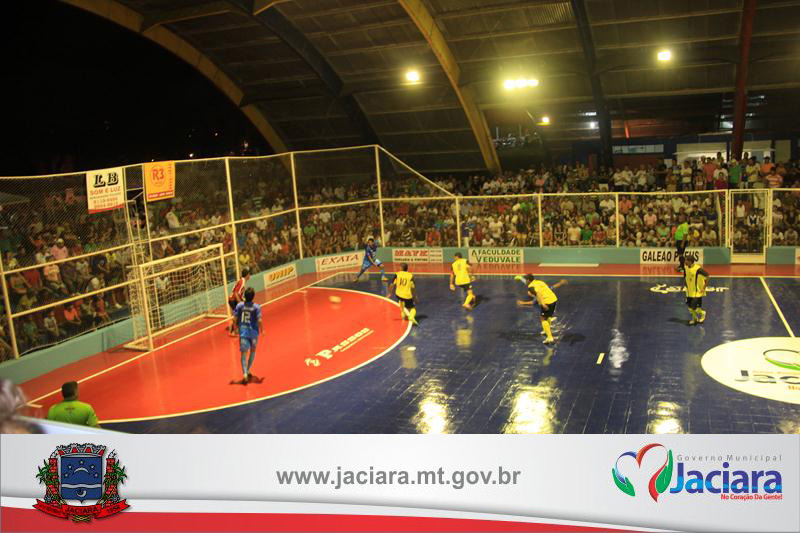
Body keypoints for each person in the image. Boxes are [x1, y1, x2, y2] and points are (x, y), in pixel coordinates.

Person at [516, 275, 567, 344]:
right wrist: (521, 278)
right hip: (553, 299)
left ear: (528, 280)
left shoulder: (531, 288)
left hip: (546, 302)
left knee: (543, 319)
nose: (529, 293)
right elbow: (550, 287)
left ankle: (550, 338)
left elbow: (538, 295)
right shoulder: (539, 282)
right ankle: (546, 330)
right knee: (548, 317)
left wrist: (543, 304)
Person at [232, 287, 262, 383]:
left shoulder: (240, 306)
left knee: (243, 354)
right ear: (253, 297)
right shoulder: (257, 307)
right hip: (253, 333)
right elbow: (259, 320)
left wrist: (235, 330)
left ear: (244, 296)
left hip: (243, 333)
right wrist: (262, 330)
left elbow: (234, 319)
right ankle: (248, 369)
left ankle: (245, 373)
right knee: (253, 351)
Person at [683, 255, 710, 326]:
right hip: (689, 292)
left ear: (690, 261)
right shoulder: (685, 267)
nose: (685, 261)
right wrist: (686, 286)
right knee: (690, 308)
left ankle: (702, 313)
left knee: (694, 308)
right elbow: (686, 277)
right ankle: (695, 319)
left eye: (686, 260)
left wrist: (703, 288)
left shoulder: (698, 269)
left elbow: (708, 276)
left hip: (696, 292)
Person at [228, 268, 250, 336]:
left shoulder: (242, 281)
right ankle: (233, 332)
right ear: (247, 275)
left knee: (238, 314)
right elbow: (236, 293)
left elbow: (238, 293)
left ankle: (234, 329)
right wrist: (240, 303)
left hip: (233, 300)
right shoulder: (242, 282)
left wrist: (243, 300)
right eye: (249, 274)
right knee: (237, 315)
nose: (250, 276)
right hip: (233, 300)